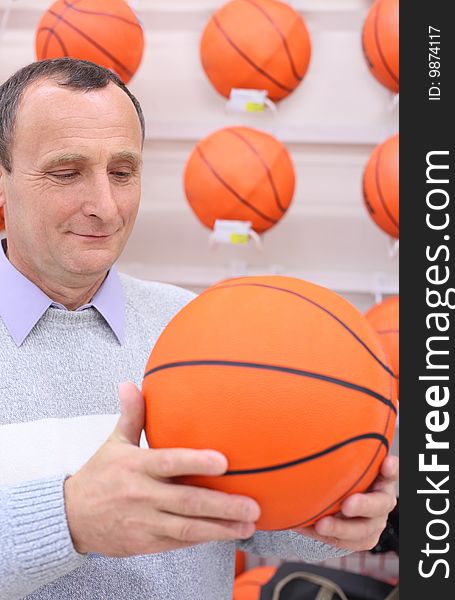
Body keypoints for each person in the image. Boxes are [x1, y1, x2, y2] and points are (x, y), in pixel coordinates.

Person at [0, 58, 398, 600]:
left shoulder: (194, 326)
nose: (104, 205)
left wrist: (336, 516)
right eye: (66, 173)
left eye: (123, 171)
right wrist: (68, 521)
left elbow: (247, 510)